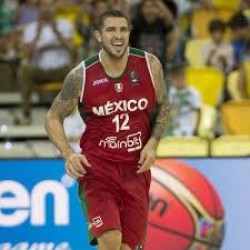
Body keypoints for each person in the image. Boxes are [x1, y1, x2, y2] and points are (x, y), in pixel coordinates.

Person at [45, 9, 170, 250]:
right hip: (98, 170)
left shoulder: (150, 65)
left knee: (127, 247)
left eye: (123, 29)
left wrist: (153, 143)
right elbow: (52, 117)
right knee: (111, 241)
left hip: (136, 170)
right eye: (111, 30)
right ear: (98, 36)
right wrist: (68, 153)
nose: (118, 35)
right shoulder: (81, 75)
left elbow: (163, 104)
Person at [18, 0, 74, 125]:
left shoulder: (64, 25)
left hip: (61, 69)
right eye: (44, 6)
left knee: (76, 72)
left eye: (50, 5)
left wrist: (57, 32)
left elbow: (71, 49)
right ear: (39, 9)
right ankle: (26, 115)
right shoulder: (31, 28)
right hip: (40, 71)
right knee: (24, 71)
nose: (47, 9)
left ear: (54, 7)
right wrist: (37, 35)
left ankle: (75, 116)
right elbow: (26, 54)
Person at [164, 63, 202, 137]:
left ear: (180, 78)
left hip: (188, 129)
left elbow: (199, 112)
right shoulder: (173, 91)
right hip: (174, 128)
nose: (171, 83)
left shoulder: (193, 93)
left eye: (172, 80)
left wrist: (196, 130)